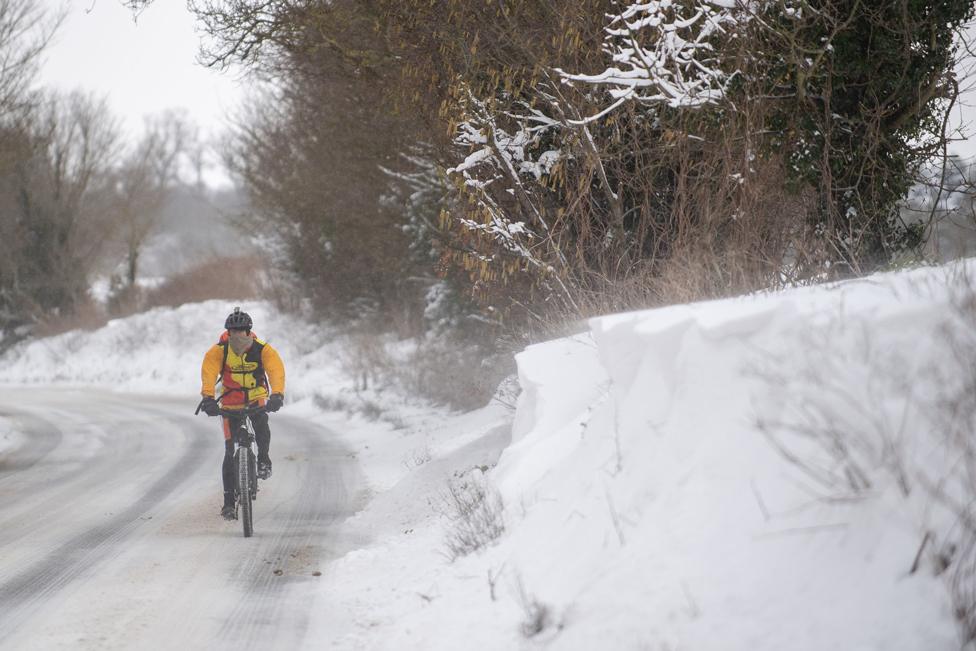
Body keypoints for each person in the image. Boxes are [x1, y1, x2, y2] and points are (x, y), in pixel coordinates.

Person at [199, 307, 286, 520]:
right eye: (233, 331)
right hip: (229, 405)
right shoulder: (218, 351)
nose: (238, 335)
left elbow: (276, 370)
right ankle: (228, 503)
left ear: (249, 331)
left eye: (242, 331)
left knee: (262, 428)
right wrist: (208, 398)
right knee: (230, 453)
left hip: (256, 401)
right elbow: (209, 373)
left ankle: (264, 459)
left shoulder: (262, 349)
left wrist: (277, 394)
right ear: (227, 333)